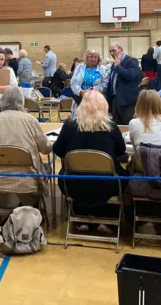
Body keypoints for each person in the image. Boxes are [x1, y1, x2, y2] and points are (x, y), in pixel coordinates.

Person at [53, 91, 127, 225]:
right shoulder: (111, 127)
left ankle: (81, 221)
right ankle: (106, 220)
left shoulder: (69, 126)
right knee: (125, 175)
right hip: (107, 184)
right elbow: (121, 151)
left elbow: (58, 150)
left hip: (73, 183)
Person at [0, 87, 50, 205]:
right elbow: (46, 149)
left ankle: (16, 209)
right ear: (21, 101)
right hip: (27, 180)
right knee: (47, 168)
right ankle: (32, 208)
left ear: (2, 101)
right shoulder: (30, 120)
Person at [105, 41, 140, 125]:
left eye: (114, 50)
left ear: (121, 50)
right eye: (110, 51)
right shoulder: (114, 63)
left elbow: (130, 76)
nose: (112, 53)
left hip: (127, 101)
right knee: (116, 126)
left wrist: (118, 66)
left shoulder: (132, 60)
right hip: (114, 100)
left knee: (128, 126)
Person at [70, 49, 108, 116]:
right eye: (91, 57)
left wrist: (91, 92)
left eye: (95, 57)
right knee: (78, 121)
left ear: (98, 59)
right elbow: (73, 82)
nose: (93, 58)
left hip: (95, 100)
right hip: (79, 99)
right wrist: (81, 92)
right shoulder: (79, 67)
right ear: (87, 58)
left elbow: (105, 83)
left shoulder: (103, 69)